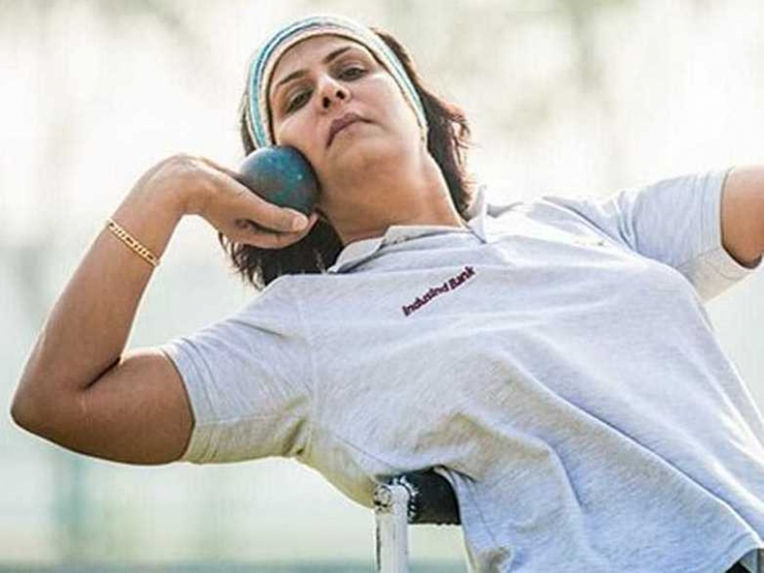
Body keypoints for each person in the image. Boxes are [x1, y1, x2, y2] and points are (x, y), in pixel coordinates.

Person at [9, 13, 764, 573]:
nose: (330, 91)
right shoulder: (310, 330)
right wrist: (164, 190)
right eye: (296, 97)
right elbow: (58, 398)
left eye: (351, 69)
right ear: (280, 168)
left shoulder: (585, 223)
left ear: (415, 108)